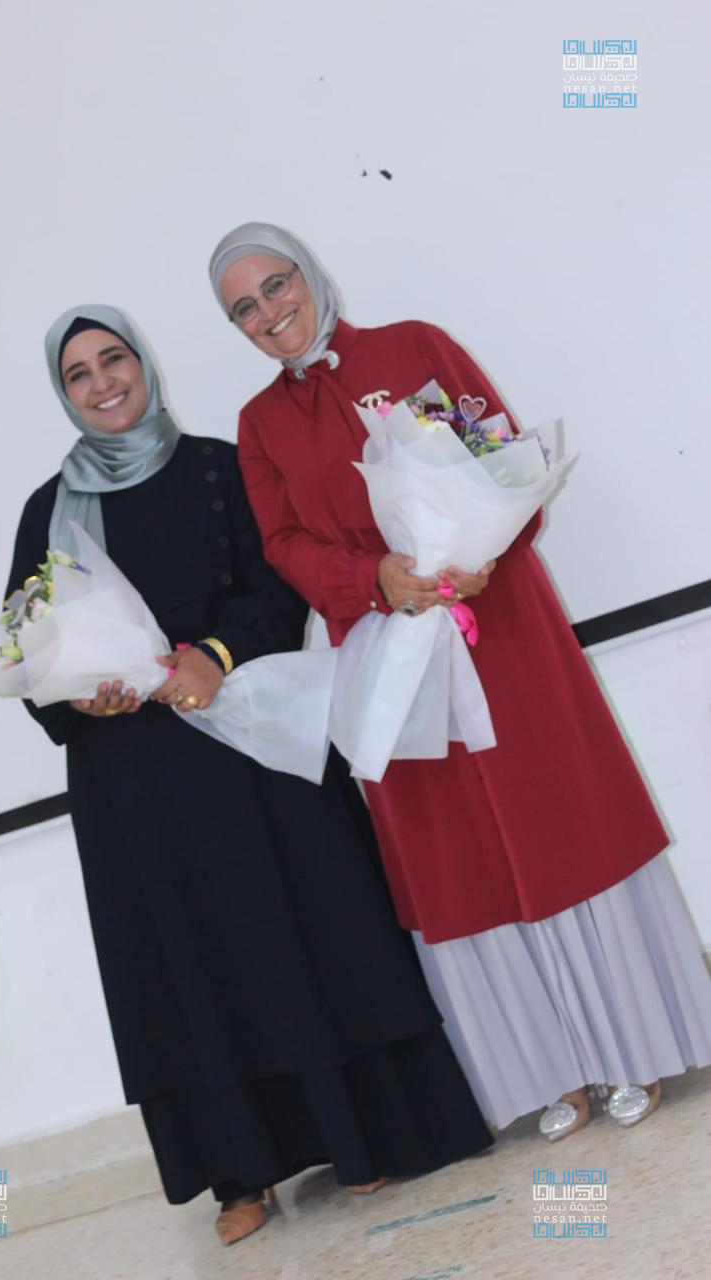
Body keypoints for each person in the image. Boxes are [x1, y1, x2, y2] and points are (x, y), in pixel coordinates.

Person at [3, 303, 493, 1246]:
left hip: (248, 740)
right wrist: (78, 698)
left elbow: (276, 588)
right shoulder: (47, 511)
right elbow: (26, 646)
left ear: (144, 364)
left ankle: (361, 1137)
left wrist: (213, 656)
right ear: (62, 394)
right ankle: (239, 1177)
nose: (103, 383)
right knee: (188, 963)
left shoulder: (219, 468)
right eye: (79, 374)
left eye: (114, 360)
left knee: (304, 930)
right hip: (134, 779)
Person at [209, 223, 711, 1142]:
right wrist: (372, 580)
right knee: (458, 857)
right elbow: (282, 544)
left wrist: (480, 547)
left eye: (275, 284)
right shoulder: (259, 426)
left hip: (498, 622)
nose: (268, 312)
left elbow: (505, 456)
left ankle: (634, 1046)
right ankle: (550, 1072)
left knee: (559, 819)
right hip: (388, 649)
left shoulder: (413, 346)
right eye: (243, 307)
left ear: (309, 274)